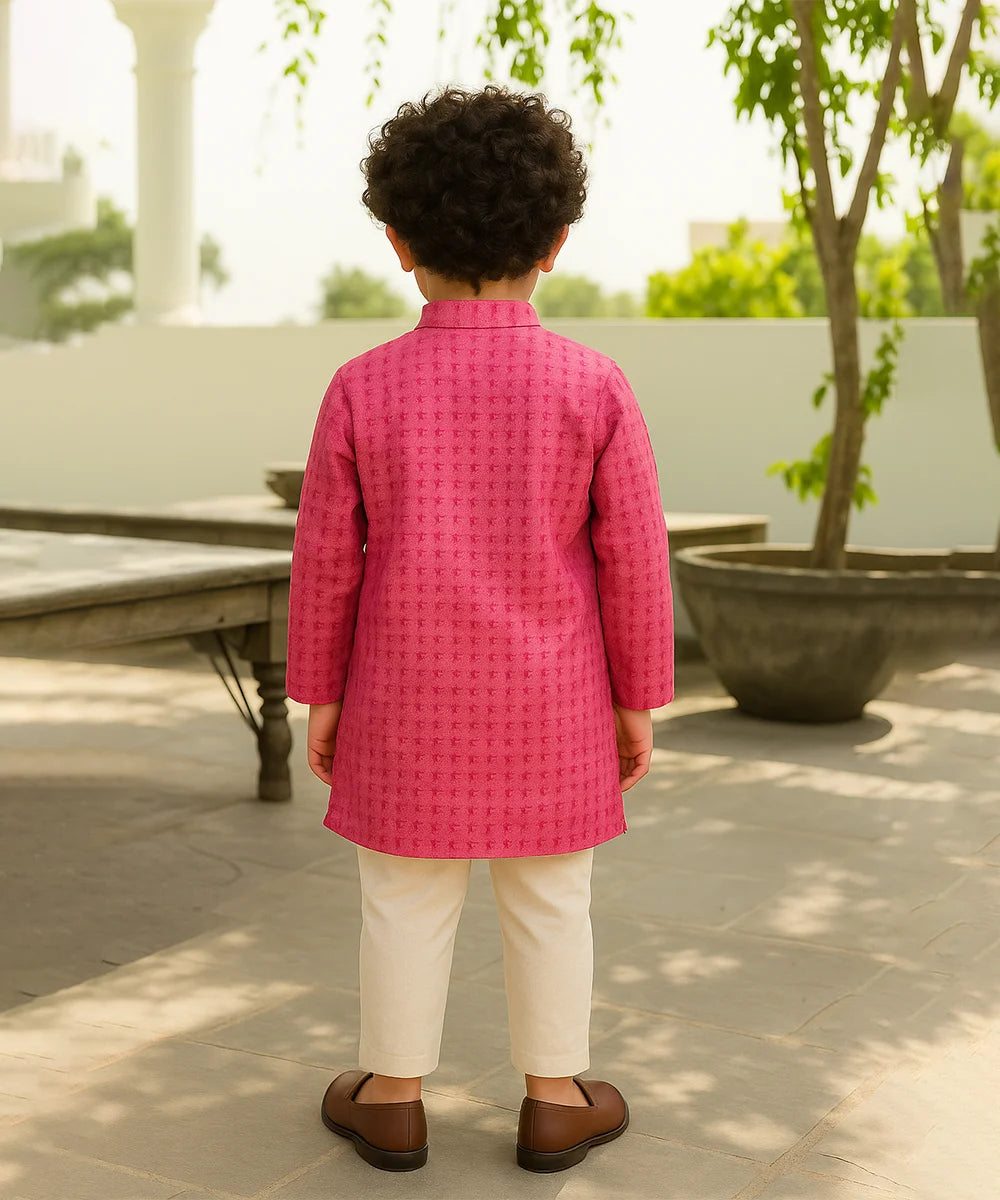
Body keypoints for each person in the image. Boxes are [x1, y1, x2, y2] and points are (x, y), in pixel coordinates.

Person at [285, 82, 674, 1175]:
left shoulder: (360, 388)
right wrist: (635, 695)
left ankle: (393, 1098)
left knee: (402, 896)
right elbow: (633, 555)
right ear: (555, 241)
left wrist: (322, 691)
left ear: (399, 241)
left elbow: (324, 560)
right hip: (551, 706)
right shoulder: (594, 386)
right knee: (552, 898)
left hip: (404, 702)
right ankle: (555, 1099)